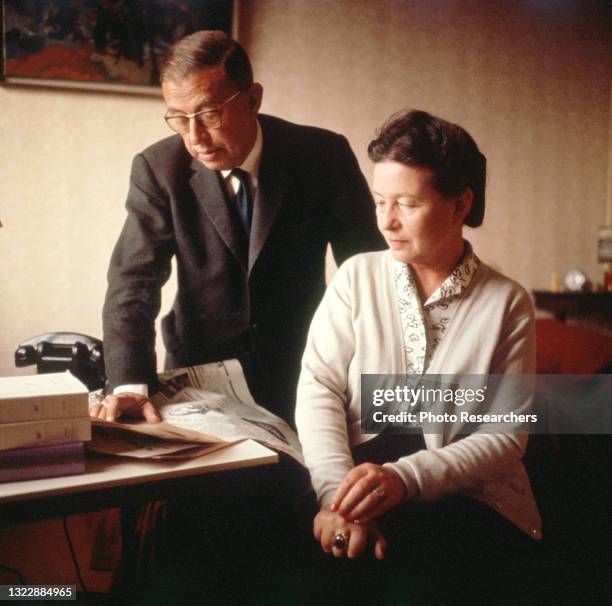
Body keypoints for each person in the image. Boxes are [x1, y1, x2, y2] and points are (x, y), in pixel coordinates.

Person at [295, 110, 543, 604]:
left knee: (418, 580)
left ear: (460, 204)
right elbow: (319, 386)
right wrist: (336, 498)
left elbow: (505, 438)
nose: (386, 221)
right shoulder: (356, 278)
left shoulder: (506, 302)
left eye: (406, 204)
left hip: (467, 496)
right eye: (380, 201)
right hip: (353, 479)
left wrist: (404, 480)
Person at [89, 30, 383, 426]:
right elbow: (133, 281)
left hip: (307, 369)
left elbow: (368, 270)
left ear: (252, 99)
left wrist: (376, 374)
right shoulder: (158, 169)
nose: (195, 138)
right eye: (178, 118)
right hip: (201, 377)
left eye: (209, 114)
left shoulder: (322, 156)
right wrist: (129, 385)